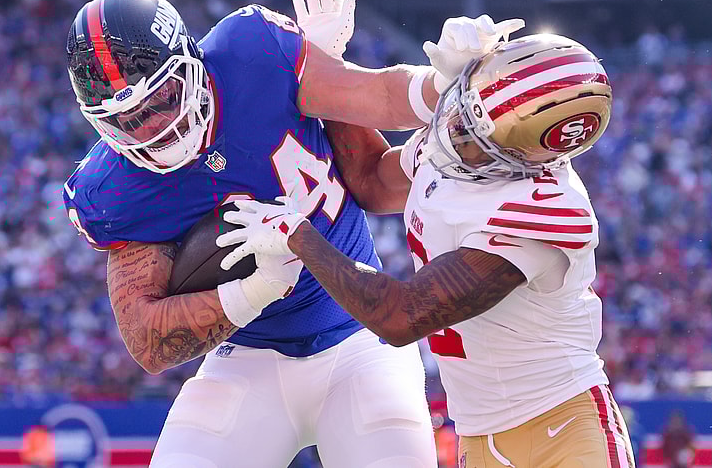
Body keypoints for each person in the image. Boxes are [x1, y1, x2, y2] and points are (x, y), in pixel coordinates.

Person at [62, 0, 510, 466]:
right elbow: (147, 340)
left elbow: (377, 95)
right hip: (248, 360)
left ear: (189, 60)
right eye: (127, 120)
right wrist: (257, 290)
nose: (152, 127)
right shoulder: (113, 187)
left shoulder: (251, 54)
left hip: (359, 343)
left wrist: (443, 84)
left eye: (162, 99)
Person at [217, 31, 636, 467]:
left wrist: (299, 236)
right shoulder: (454, 145)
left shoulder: (548, 210)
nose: (453, 131)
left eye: (474, 134)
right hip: (476, 437)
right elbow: (371, 183)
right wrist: (331, 67)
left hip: (562, 429)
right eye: (462, 106)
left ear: (526, 156)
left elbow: (400, 317)